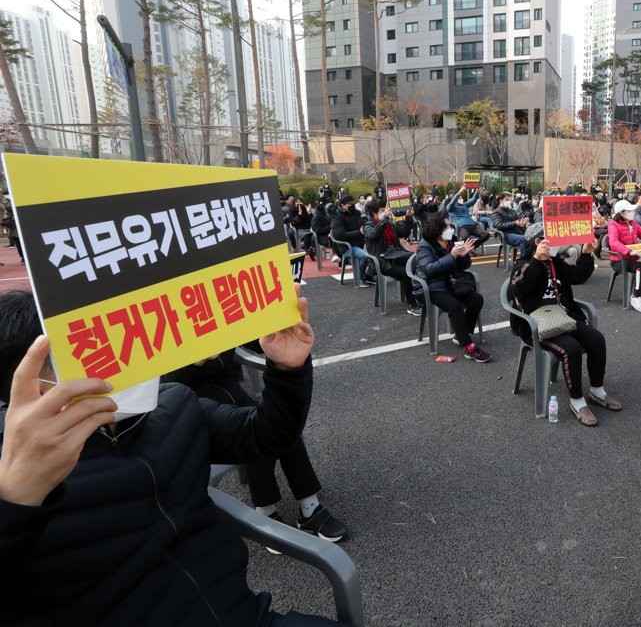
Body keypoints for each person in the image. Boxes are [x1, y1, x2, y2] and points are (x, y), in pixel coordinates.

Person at [0, 288, 351, 625]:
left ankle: (307, 506)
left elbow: (266, 435)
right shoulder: (14, 483)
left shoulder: (170, 407)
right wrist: (16, 500)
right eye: (77, 358)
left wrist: (287, 371)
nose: (106, 366)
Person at [163, 348, 347, 542]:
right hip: (199, 412)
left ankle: (309, 505)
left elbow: (256, 339)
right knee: (254, 427)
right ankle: (266, 511)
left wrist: (277, 327)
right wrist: (191, 364)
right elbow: (165, 388)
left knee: (280, 420)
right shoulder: (158, 328)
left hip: (236, 397)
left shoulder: (216, 318)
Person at [510, 223, 621, 426]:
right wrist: (536, 260)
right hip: (537, 323)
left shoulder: (555, 262)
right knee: (571, 349)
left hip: (564, 316)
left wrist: (586, 254)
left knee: (596, 339)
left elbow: (578, 276)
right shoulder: (523, 263)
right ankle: (577, 401)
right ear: (538, 242)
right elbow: (520, 287)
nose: (559, 243)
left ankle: (597, 390)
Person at [414, 213, 491, 363]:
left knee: (477, 300)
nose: (451, 229)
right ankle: (469, 347)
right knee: (455, 306)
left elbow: (464, 266)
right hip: (432, 286)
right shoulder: (425, 246)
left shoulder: (452, 241)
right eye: (447, 226)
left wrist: (464, 256)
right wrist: (452, 256)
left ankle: (460, 335)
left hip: (452, 282)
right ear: (438, 230)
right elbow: (430, 270)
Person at [363, 200, 421, 316]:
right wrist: (384, 218)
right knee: (406, 272)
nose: (386, 212)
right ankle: (411, 304)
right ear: (374, 213)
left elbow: (404, 232)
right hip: (383, 261)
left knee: (416, 259)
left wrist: (408, 217)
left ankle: (420, 295)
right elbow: (374, 234)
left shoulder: (389, 225)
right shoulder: (367, 226)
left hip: (396, 256)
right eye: (382, 210)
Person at [330, 194, 373, 287]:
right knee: (365, 256)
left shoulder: (356, 213)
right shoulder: (337, 217)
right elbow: (339, 235)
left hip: (360, 242)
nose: (352, 205)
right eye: (350, 204)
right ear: (343, 205)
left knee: (376, 251)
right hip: (347, 246)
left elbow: (361, 226)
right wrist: (359, 232)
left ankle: (369, 275)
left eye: (353, 203)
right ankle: (361, 277)